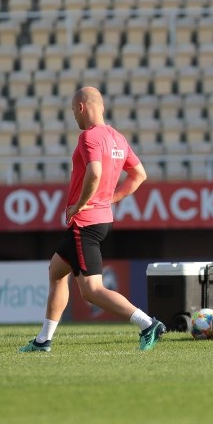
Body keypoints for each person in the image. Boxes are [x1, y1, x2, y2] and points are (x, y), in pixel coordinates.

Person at [20, 87, 164, 352]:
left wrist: (81, 204)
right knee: (56, 273)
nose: (74, 115)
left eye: (74, 110)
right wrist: (111, 198)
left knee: (91, 291)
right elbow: (139, 174)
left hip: (85, 223)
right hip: (100, 219)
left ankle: (148, 324)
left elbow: (95, 173)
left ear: (81, 108)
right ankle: (43, 340)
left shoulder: (89, 137)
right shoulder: (118, 138)